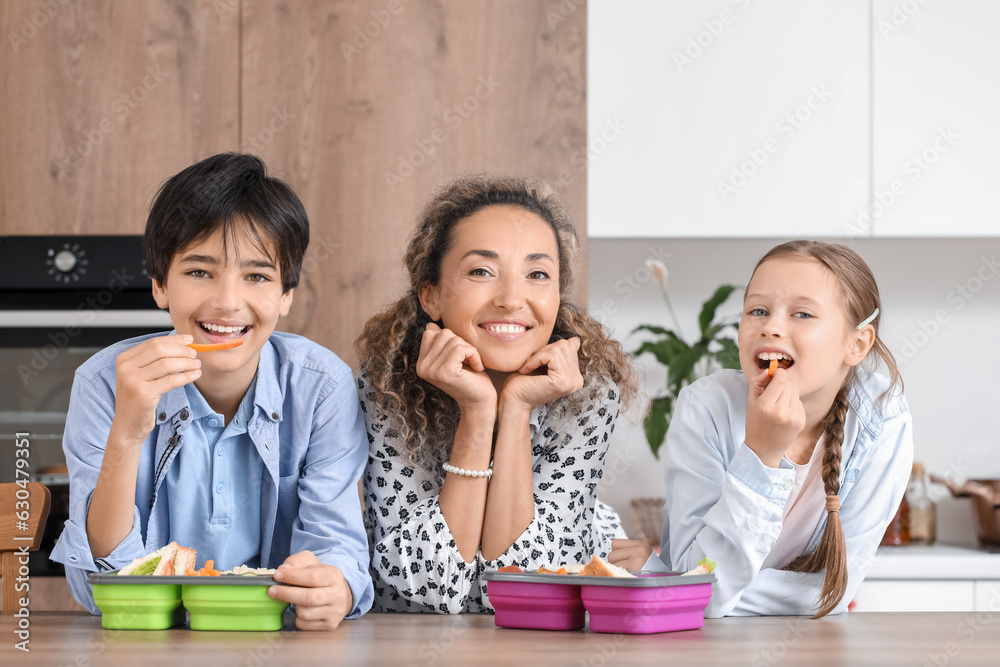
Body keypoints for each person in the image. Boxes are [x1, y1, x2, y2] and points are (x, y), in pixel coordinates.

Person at [51, 153, 373, 629]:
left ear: (285, 295)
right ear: (161, 285)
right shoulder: (104, 382)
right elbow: (103, 589)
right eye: (199, 272)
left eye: (257, 276)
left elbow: (337, 548)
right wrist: (127, 434)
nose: (227, 302)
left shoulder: (321, 387)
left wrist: (335, 587)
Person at [355, 174, 639, 613]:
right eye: (482, 271)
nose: (511, 299)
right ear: (431, 295)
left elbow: (529, 587)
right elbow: (424, 588)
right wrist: (479, 409)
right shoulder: (388, 387)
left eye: (537, 274)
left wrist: (517, 409)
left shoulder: (588, 392)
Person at [610, 240, 913, 618]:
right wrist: (763, 455)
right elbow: (699, 587)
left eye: (802, 314)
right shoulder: (706, 408)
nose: (770, 326)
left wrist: (672, 582)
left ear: (857, 343)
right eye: (757, 310)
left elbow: (831, 590)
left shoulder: (882, 419)